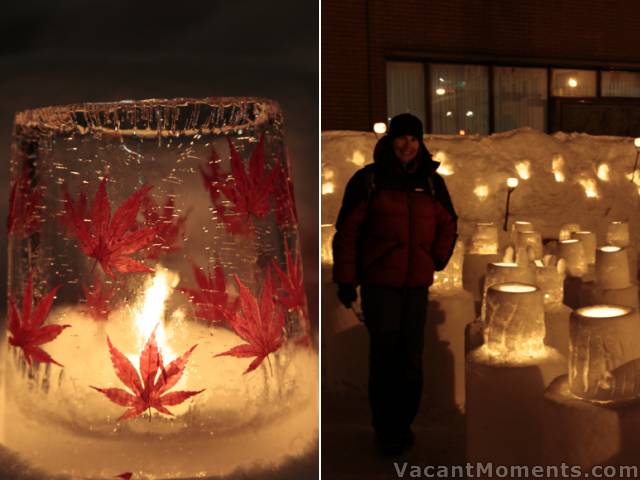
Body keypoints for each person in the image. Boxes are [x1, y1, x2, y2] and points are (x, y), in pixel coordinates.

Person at [332, 113, 458, 454]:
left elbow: (449, 224)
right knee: (385, 358)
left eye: (414, 139)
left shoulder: (431, 181)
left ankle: (403, 424)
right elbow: (348, 234)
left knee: (411, 360)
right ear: (391, 141)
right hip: (380, 286)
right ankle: (385, 429)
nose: (408, 144)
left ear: (420, 143)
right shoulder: (369, 180)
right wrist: (346, 280)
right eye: (402, 138)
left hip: (416, 286)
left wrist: (435, 259)